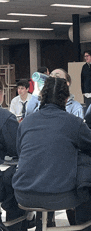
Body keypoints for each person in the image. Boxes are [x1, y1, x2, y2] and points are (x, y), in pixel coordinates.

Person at [12, 77, 91, 231]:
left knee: (40, 168)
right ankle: (84, 226)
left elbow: (20, 151)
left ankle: (42, 225)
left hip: (24, 194)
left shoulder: (26, 122)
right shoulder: (73, 122)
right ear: (67, 99)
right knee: (86, 174)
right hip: (61, 196)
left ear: (41, 97)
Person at [0, 80, 30, 231]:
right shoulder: (5, 118)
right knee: (16, 178)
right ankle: (16, 223)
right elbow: (17, 149)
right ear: (1, 95)